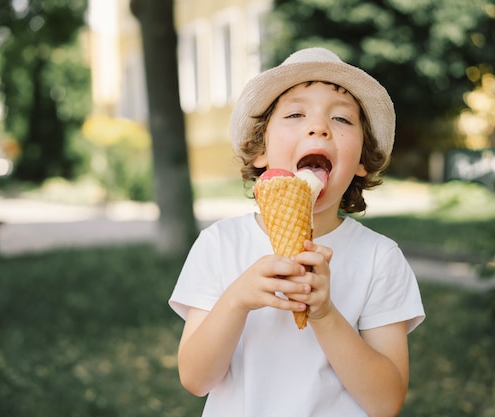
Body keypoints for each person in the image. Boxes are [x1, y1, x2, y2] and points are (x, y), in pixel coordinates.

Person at [169, 47, 425, 417]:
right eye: (295, 114)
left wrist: (325, 314)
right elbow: (195, 379)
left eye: (341, 119)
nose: (318, 126)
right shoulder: (220, 244)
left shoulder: (379, 258)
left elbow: (386, 402)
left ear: (361, 164)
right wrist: (237, 299)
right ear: (261, 151)